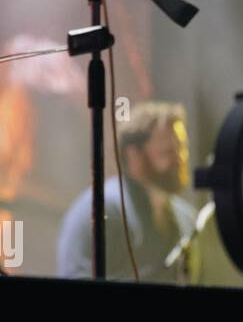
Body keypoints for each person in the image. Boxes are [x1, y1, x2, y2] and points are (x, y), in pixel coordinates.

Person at [56, 101, 198, 281]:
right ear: (133, 155)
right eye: (168, 152)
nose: (181, 160)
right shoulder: (96, 211)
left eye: (182, 150)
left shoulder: (187, 219)